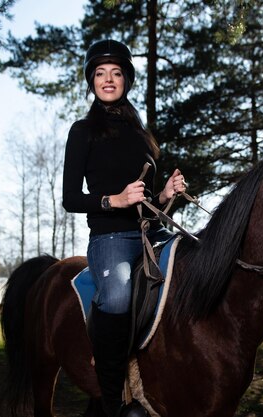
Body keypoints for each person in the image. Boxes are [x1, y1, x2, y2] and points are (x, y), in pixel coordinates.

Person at [62, 39, 186, 417]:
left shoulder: (142, 136)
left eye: (116, 72)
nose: (108, 79)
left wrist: (166, 193)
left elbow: (149, 202)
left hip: (151, 234)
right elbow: (70, 198)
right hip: (110, 238)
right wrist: (114, 200)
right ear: (92, 81)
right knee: (115, 296)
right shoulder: (82, 131)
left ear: (127, 80)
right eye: (100, 73)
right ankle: (113, 403)